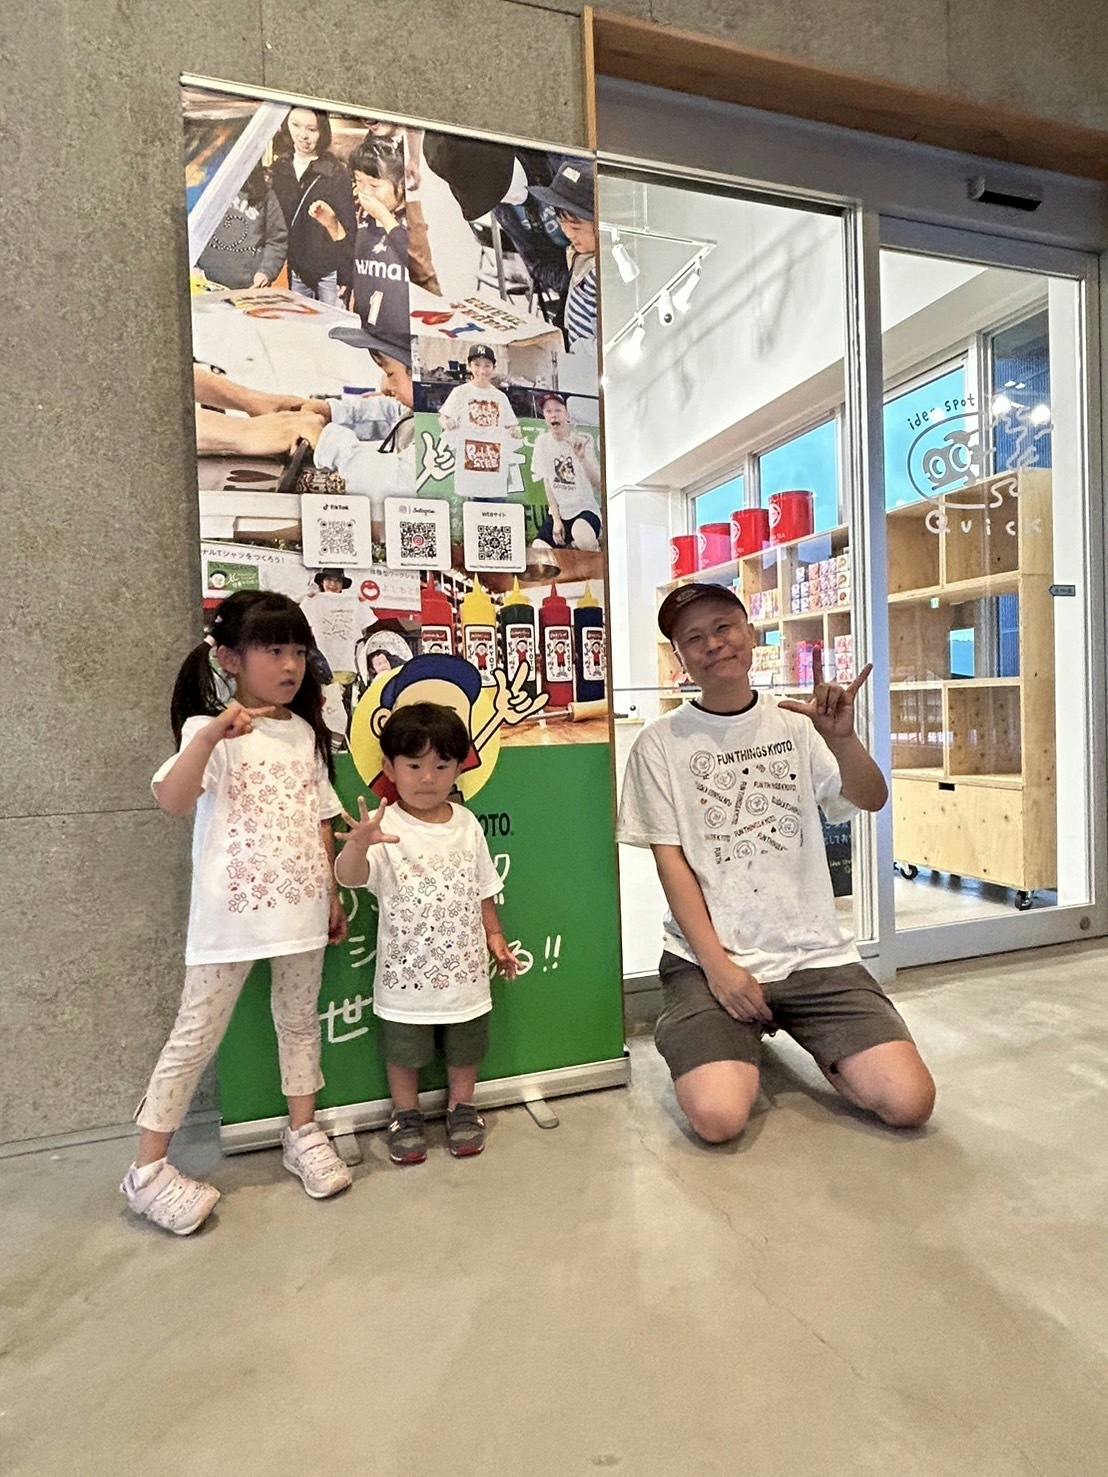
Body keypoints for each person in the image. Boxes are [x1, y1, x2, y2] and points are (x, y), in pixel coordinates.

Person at [617, 584, 935, 1146]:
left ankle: (802, 1038)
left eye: (723, 627)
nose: (714, 644)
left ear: (749, 632)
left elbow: (870, 797)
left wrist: (843, 740)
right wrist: (719, 969)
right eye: (694, 638)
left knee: (910, 1102)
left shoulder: (797, 723)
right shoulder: (659, 743)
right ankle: (723, 1041)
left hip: (814, 954)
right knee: (718, 1118)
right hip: (708, 959)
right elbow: (672, 865)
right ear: (680, 657)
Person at [121, 592, 354, 1234]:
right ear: (229, 658)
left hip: (302, 912)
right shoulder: (210, 730)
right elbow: (173, 801)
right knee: (195, 1034)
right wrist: (211, 735)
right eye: (274, 650)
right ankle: (146, 1171)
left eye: (298, 651)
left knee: (299, 1023)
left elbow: (320, 820)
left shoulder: (305, 733)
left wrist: (332, 894)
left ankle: (302, 1132)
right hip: (229, 922)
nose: (291, 665)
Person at [334, 703, 519, 1162]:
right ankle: (405, 1114)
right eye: (414, 766)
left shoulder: (466, 824)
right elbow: (351, 877)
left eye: (441, 765)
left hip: (465, 974)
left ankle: (462, 1108)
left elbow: (483, 887)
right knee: (403, 1051)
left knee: (466, 1046)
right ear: (389, 768)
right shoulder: (384, 827)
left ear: (459, 768)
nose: (428, 778)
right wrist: (358, 845)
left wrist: (495, 936)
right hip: (404, 979)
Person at [308, 138, 410, 341]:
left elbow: (419, 266)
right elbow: (351, 271)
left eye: (374, 184)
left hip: (404, 340)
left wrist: (386, 219)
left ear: (402, 184)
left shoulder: (416, 222)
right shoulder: (365, 220)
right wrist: (334, 227)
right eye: (359, 182)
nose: (365, 192)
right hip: (368, 333)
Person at [270, 107, 356, 305]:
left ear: (322, 131)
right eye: (295, 125)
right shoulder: (280, 168)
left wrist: (345, 275)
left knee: (334, 320)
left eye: (311, 129)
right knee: (302, 320)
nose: (303, 135)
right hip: (297, 268)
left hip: (330, 270)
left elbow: (348, 227)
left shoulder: (335, 172)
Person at [438, 344, 523, 501]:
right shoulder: (460, 392)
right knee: (472, 511)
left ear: (494, 368)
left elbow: (512, 425)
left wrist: (515, 432)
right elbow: (443, 417)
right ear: (469, 366)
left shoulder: (500, 397)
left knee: (496, 510)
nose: (482, 371)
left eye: (487, 366)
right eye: (477, 365)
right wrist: (447, 423)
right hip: (469, 471)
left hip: (494, 471)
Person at [531, 161, 597, 348]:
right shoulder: (580, 253)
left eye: (576, 227)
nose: (568, 234)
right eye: (561, 222)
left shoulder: (603, 274)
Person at [197, 163, 288, 290]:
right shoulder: (210, 187)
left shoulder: (266, 196)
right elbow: (192, 230)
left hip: (247, 287)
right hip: (204, 283)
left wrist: (265, 272)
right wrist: (192, 266)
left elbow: (277, 240)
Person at [530, 393, 603, 551]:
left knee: (583, 537)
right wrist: (556, 520)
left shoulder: (583, 441)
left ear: (567, 415)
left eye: (558, 410)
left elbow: (598, 483)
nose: (553, 415)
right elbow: (547, 483)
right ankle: (570, 548)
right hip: (560, 514)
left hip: (584, 511)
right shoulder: (542, 443)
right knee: (538, 547)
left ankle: (595, 548)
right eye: (548, 411)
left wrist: (583, 458)